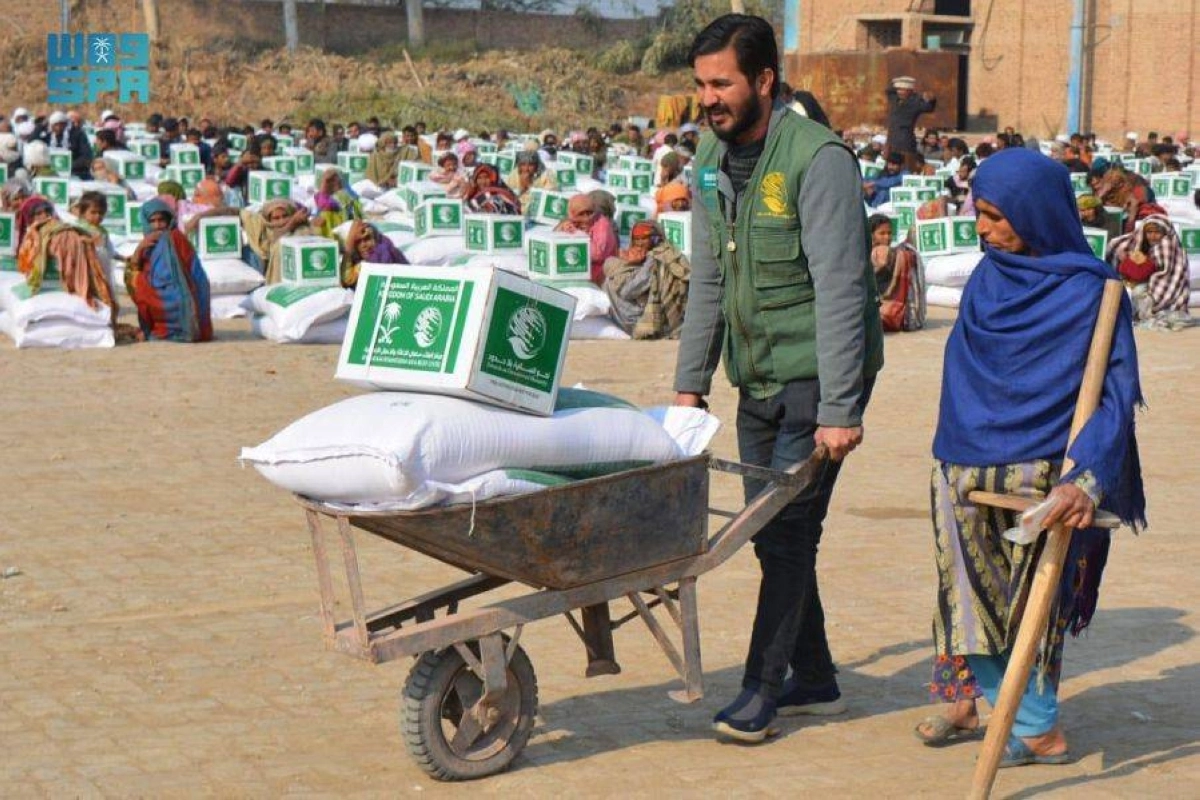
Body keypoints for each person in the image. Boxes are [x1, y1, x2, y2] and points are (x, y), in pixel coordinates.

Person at [674, 14, 883, 743]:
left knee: (790, 533)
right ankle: (818, 678)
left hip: (816, 381)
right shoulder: (707, 158)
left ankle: (761, 691)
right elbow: (708, 280)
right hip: (754, 378)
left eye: (722, 83)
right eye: (701, 84)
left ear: (764, 80)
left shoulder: (817, 160)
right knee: (768, 535)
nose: (709, 98)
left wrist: (840, 407)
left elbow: (841, 288)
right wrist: (688, 385)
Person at [923, 148, 1144, 765]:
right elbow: (965, 376)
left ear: (1034, 212)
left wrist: (1085, 480)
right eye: (980, 213)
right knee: (967, 604)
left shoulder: (1093, 294)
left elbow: (1114, 396)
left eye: (996, 215)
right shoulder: (987, 279)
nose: (983, 228)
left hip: (1046, 474)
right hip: (961, 465)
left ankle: (1036, 723)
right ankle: (1024, 720)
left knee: (1033, 609)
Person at [16, 195, 117, 325]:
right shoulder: (31, 238)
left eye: (47, 211)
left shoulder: (67, 231)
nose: (45, 216)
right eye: (38, 213)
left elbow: (107, 251)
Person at [125, 198, 213, 343]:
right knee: (138, 284)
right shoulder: (147, 243)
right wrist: (140, 248)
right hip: (156, 295)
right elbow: (135, 269)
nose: (158, 226)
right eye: (153, 221)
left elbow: (195, 271)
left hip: (180, 296)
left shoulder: (177, 238)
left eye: (161, 220)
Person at [602, 220, 690, 339]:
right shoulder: (666, 253)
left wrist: (630, 264)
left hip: (658, 316)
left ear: (655, 239)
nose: (639, 243)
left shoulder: (657, 257)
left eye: (644, 238)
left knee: (610, 282)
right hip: (659, 312)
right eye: (636, 239)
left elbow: (628, 291)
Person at [1107, 213, 1191, 329]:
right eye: (1149, 232)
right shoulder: (1139, 245)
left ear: (1165, 233)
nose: (1153, 236)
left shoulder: (1168, 247)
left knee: (1138, 291)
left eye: (1157, 233)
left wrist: (1128, 262)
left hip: (1160, 292)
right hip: (1137, 283)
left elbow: (1160, 276)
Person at [867, 214, 925, 332]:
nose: (887, 237)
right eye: (882, 233)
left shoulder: (898, 253)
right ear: (871, 235)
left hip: (893, 309)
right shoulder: (864, 254)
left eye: (889, 233)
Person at [554, 193, 619, 286]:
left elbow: (598, 254)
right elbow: (553, 243)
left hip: (599, 273)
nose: (586, 218)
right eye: (581, 214)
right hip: (573, 268)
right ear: (572, 213)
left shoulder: (602, 224)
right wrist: (562, 230)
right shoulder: (569, 221)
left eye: (589, 212)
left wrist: (577, 234)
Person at [242, 199, 313, 282]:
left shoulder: (300, 230)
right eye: (276, 218)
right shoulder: (264, 232)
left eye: (285, 216)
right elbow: (275, 239)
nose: (281, 221)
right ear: (269, 220)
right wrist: (292, 223)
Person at [340, 220, 409, 289]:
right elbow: (346, 281)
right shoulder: (357, 260)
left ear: (375, 239)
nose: (363, 245)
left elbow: (347, 280)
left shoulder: (384, 251)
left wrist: (349, 244)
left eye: (367, 239)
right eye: (358, 242)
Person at [885, 77, 935, 164]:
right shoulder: (894, 99)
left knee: (905, 164)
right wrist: (896, 82)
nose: (899, 92)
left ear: (909, 91)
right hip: (891, 139)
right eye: (898, 89)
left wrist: (931, 99)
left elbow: (929, 108)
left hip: (905, 140)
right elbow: (889, 90)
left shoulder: (915, 102)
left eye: (902, 90)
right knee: (890, 165)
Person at [313, 168, 363, 239]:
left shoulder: (347, 196)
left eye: (334, 181)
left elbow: (356, 210)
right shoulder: (320, 198)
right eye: (330, 181)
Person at [43, 110, 94, 179]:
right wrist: (41, 126)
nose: (58, 128)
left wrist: (67, 166)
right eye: (55, 125)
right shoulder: (47, 135)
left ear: (66, 124)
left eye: (61, 125)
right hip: (52, 171)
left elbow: (86, 156)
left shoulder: (77, 134)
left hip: (76, 172)